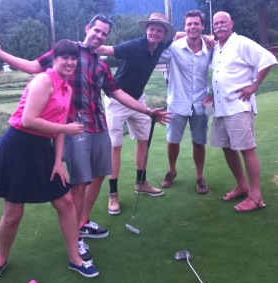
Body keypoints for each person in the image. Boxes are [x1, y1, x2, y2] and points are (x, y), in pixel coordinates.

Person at [0, 14, 169, 261]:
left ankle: (83, 221)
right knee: (80, 181)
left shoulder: (100, 64)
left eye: (104, 34)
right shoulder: (67, 53)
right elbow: (34, 67)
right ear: (87, 28)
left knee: (101, 172)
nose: (99, 36)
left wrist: (146, 110)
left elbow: (117, 92)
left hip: (98, 123)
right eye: (96, 30)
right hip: (74, 127)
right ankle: (76, 236)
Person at [0, 39, 99, 282]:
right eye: (64, 57)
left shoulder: (67, 89)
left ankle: (75, 259)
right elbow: (28, 120)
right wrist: (66, 129)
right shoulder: (43, 81)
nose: (69, 62)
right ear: (54, 59)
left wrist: (59, 161)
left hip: (42, 149)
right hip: (17, 146)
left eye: (73, 58)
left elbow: (57, 129)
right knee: (13, 213)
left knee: (65, 202)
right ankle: (0, 259)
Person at [97, 13, 176, 215]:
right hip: (116, 99)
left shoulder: (160, 46)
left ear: (164, 34)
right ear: (146, 29)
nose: (155, 33)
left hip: (138, 99)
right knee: (115, 146)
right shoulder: (133, 46)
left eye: (159, 30)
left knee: (144, 140)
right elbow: (105, 49)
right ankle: (113, 194)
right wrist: (84, 44)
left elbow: (181, 35)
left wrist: (204, 37)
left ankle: (141, 182)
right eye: (152, 28)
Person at [208, 11, 277, 212]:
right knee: (227, 147)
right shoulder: (217, 47)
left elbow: (269, 58)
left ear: (231, 23)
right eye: (216, 23)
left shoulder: (242, 43)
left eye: (223, 22)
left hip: (239, 105)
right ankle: (242, 185)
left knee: (247, 149)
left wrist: (256, 84)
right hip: (221, 107)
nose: (219, 25)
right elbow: (220, 74)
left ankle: (256, 197)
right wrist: (213, 92)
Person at [159, 10, 213, 193]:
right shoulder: (174, 47)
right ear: (184, 27)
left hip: (200, 103)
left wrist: (212, 93)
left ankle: (199, 177)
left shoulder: (210, 49)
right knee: (172, 140)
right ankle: (171, 170)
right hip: (177, 102)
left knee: (199, 141)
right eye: (189, 24)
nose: (192, 27)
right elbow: (156, 51)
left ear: (202, 26)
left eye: (196, 24)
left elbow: (221, 70)